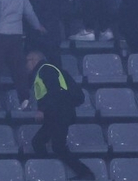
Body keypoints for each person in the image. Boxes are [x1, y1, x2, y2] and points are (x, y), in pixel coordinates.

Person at [26, 50, 95, 180]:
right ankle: (51, 172)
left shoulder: (45, 69)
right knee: (40, 142)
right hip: (58, 114)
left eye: (27, 61)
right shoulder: (50, 69)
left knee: (55, 146)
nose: (25, 65)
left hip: (58, 114)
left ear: (34, 59)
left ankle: (85, 174)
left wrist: (41, 109)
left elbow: (54, 90)